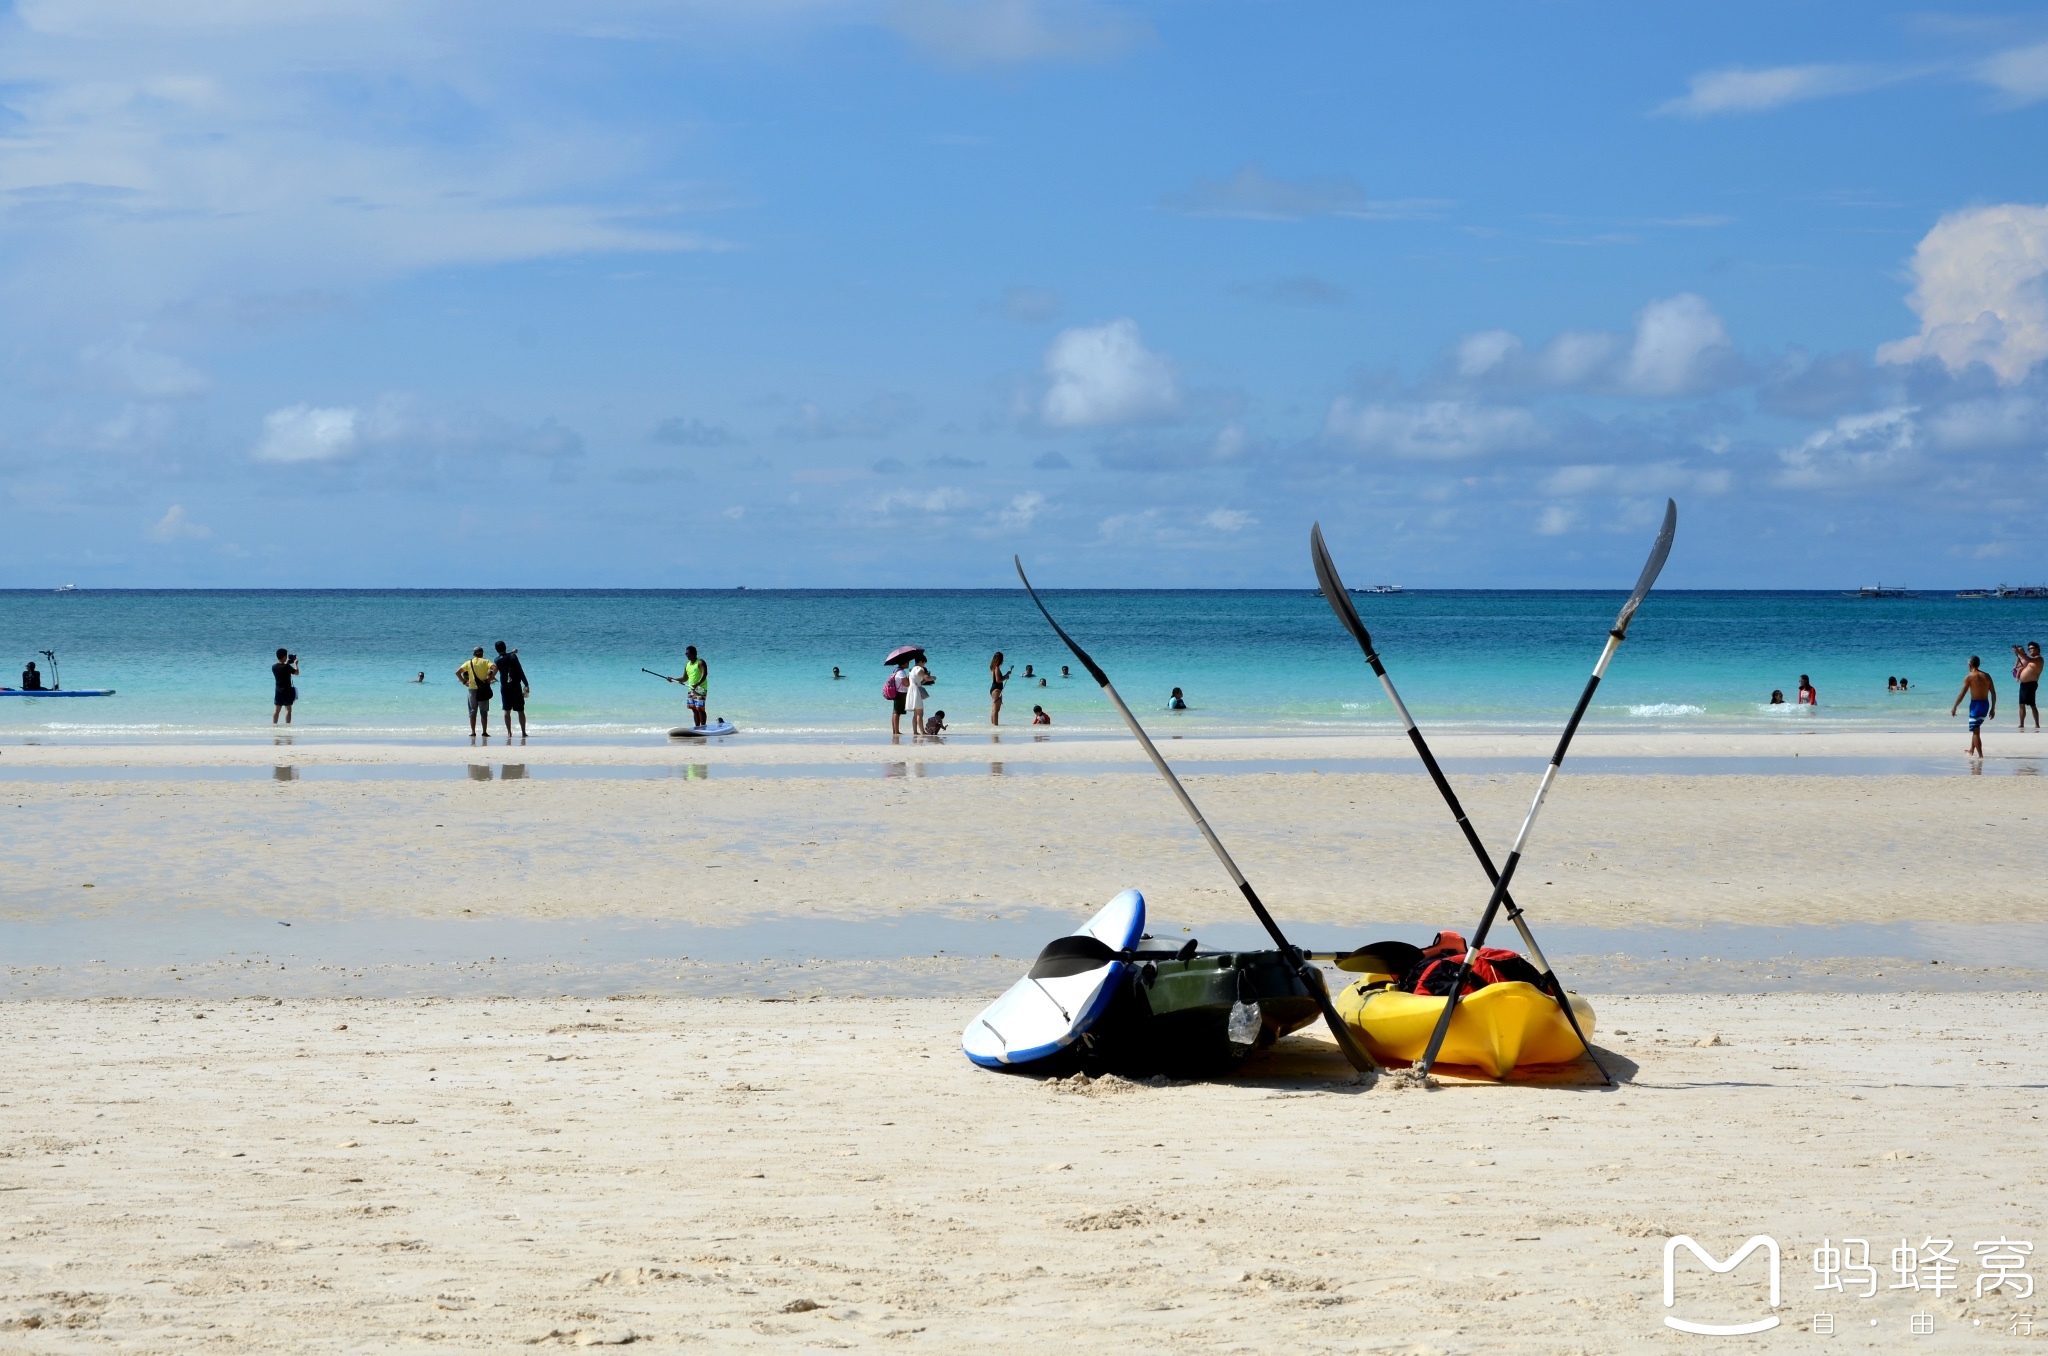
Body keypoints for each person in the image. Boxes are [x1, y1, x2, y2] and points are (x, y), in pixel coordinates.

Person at [1952, 655, 1997, 758]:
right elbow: (1993, 693)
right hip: (1985, 705)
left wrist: (1955, 706)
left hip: (1975, 706)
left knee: (1976, 731)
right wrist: (1993, 708)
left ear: (1970, 665)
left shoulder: (1969, 677)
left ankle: (1981, 756)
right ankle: (1972, 750)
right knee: (1976, 728)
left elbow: (1962, 694)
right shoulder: (1987, 676)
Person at [456, 646, 496, 737]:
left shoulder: (469, 662)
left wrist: (464, 682)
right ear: (482, 653)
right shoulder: (486, 662)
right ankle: (484, 732)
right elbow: (495, 668)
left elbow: (457, 672)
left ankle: (473, 732)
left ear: (474, 654)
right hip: (483, 689)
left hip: (472, 689)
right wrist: (490, 678)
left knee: (472, 711)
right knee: (484, 712)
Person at [494, 641, 530, 738]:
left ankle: (509, 733)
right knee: (520, 710)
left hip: (505, 687)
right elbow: (520, 670)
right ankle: (523, 732)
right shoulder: (513, 657)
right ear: (505, 647)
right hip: (515, 686)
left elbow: (504, 657)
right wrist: (526, 684)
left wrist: (511, 652)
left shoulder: (496, 660)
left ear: (496, 650)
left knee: (506, 710)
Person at [667, 645, 708, 729]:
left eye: (688, 653)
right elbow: (685, 678)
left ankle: (703, 727)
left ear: (694, 653)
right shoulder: (687, 665)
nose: (686, 655)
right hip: (690, 688)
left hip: (700, 689)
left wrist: (697, 683)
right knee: (694, 709)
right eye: (686, 654)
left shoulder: (700, 662)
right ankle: (697, 728)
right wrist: (673, 679)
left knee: (700, 709)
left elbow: (704, 674)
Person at [2015, 642, 2042, 730]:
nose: (2030, 650)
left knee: (2032, 704)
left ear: (2037, 649)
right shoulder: (2032, 659)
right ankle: (2021, 724)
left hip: (2031, 684)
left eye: (2032, 648)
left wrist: (2018, 652)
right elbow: (2023, 663)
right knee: (2021, 704)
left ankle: (2037, 724)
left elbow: (2028, 659)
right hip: (2024, 684)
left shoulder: (2039, 659)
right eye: (2029, 649)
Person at [904, 653, 933, 734]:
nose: (924, 665)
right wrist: (933, 678)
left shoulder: (912, 669)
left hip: (911, 689)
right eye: (924, 663)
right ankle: (922, 731)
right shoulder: (919, 669)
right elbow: (926, 677)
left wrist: (926, 680)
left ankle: (915, 731)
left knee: (915, 713)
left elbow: (920, 681)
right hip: (916, 690)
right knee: (920, 713)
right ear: (920, 661)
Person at [271, 648, 299, 725]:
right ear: (283, 657)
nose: (287, 657)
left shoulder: (274, 667)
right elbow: (296, 673)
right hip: (287, 690)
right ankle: (287, 726)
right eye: (286, 656)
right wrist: (296, 664)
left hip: (278, 691)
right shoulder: (287, 667)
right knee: (288, 710)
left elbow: (282, 668)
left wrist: (286, 663)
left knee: (277, 710)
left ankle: (274, 725)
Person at [988, 651, 1013, 726]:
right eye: (1002, 659)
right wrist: (1006, 677)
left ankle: (993, 726)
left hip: (994, 688)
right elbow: (998, 680)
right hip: (997, 689)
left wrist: (1006, 674)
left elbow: (996, 679)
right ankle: (995, 728)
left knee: (994, 710)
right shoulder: (997, 668)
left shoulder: (993, 668)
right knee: (995, 710)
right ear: (999, 659)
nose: (1003, 660)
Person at [886, 660, 910, 736]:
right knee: (897, 713)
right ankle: (896, 731)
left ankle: (895, 730)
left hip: (896, 692)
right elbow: (906, 684)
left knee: (895, 712)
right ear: (904, 663)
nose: (908, 664)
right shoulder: (901, 672)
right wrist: (909, 678)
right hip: (901, 693)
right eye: (907, 662)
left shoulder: (896, 670)